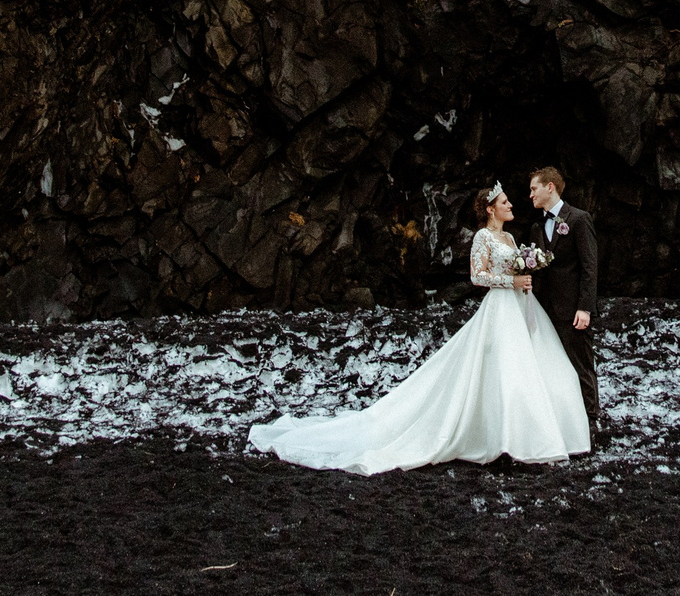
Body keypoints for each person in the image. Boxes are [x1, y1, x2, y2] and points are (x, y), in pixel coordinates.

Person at [246, 182, 590, 472]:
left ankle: (530, 435)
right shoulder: (483, 238)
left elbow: (513, 269)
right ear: (490, 209)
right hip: (500, 308)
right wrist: (510, 282)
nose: (511, 205)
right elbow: (477, 277)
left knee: (528, 368)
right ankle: (502, 438)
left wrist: (524, 275)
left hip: (521, 306)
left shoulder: (511, 239)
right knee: (503, 370)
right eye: (505, 202)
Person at [519, 166, 599, 430]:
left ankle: (591, 422)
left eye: (534, 189)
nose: (531, 195)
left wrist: (585, 308)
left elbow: (589, 267)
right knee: (551, 367)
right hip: (544, 310)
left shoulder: (579, 219)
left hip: (572, 310)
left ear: (550, 187)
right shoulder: (536, 226)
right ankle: (562, 423)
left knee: (580, 365)